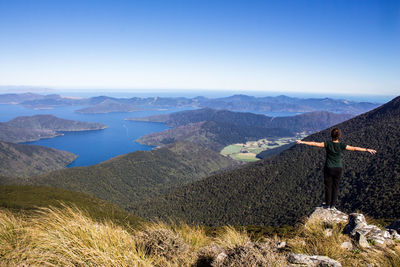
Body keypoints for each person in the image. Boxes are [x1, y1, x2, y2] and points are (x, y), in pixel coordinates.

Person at [296, 128, 376, 211]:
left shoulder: (327, 144)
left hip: (328, 168)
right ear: (339, 136)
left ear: (331, 135)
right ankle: (333, 206)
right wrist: (367, 149)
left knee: (328, 187)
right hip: (338, 168)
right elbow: (354, 148)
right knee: (335, 187)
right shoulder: (342, 145)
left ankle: (327, 205)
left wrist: (302, 142)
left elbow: (314, 143)